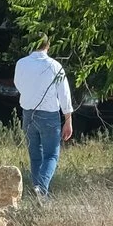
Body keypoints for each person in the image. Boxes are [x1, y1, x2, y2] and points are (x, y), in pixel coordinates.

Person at [14, 39, 73, 196]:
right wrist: (68, 119)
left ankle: (38, 192)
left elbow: (18, 84)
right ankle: (41, 186)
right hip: (49, 114)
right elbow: (64, 94)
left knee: (35, 155)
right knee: (51, 155)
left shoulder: (21, 63)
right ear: (48, 46)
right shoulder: (54, 66)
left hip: (28, 113)